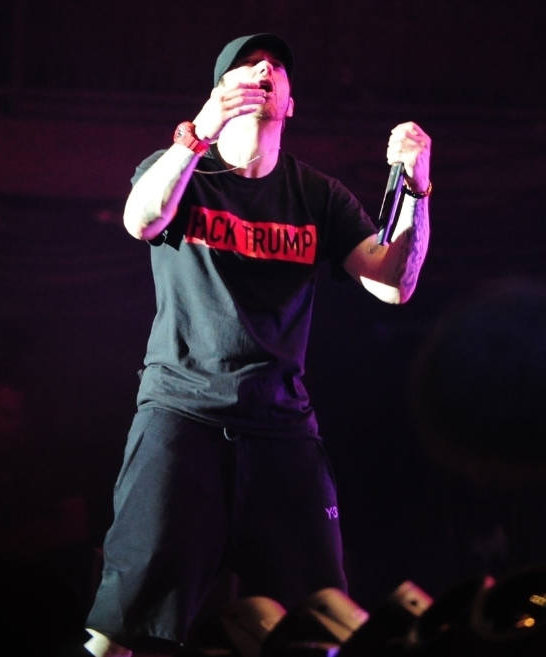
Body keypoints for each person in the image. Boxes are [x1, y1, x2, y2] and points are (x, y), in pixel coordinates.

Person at [81, 33, 432, 657]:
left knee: (324, 616)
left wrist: (415, 186)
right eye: (247, 64)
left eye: (276, 67)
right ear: (221, 91)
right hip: (182, 416)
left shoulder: (317, 196)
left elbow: (393, 284)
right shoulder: (180, 170)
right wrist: (201, 131)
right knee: (119, 627)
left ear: (289, 103)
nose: (265, 68)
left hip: (281, 430)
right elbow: (143, 219)